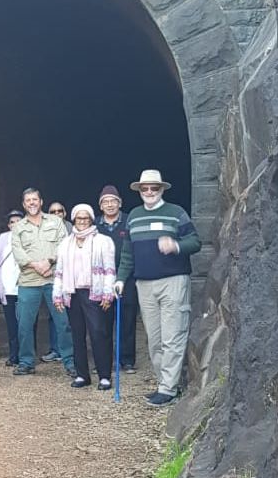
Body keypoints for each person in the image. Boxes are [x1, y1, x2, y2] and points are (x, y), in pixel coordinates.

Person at [115, 170, 202, 407]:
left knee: (172, 335)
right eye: (145, 189)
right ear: (140, 191)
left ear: (162, 189)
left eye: (154, 188)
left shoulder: (176, 213)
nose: (150, 192)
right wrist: (121, 278)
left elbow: (195, 242)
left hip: (173, 280)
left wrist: (175, 245)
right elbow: (127, 254)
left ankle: (168, 389)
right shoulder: (133, 216)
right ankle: (165, 382)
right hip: (144, 283)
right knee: (154, 339)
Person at [11, 188, 76, 377]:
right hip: (29, 281)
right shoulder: (18, 227)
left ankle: (70, 361)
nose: (31, 203)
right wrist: (35, 265)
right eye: (28, 200)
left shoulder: (56, 222)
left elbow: (64, 245)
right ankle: (26, 362)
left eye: (35, 199)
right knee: (24, 323)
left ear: (41, 202)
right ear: (24, 204)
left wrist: (49, 261)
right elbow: (18, 251)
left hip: (54, 280)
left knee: (62, 322)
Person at [53, 204, 116, 390]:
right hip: (72, 293)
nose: (82, 222)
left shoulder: (103, 241)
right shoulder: (65, 243)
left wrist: (108, 293)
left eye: (86, 218)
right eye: (79, 218)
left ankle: (104, 375)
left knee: (99, 333)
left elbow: (110, 269)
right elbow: (60, 271)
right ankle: (82, 375)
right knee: (77, 334)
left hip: (94, 292)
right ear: (74, 220)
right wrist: (57, 295)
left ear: (91, 219)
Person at [96, 184, 139, 374]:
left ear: (119, 203)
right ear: (100, 206)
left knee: (127, 320)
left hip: (127, 278)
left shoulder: (130, 221)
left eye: (114, 201)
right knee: (103, 322)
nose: (110, 205)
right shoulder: (94, 225)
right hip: (102, 279)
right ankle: (105, 360)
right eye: (106, 202)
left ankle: (127, 360)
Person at [40, 200, 72, 363]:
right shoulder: (44, 230)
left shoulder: (73, 230)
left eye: (60, 211)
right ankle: (55, 349)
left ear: (65, 213)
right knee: (53, 316)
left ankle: (70, 351)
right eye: (53, 212)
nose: (57, 214)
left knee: (70, 317)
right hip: (51, 278)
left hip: (70, 279)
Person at [0, 209, 24, 367]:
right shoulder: (3, 238)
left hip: (25, 287)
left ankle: (26, 354)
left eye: (18, 221)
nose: (15, 224)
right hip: (8, 288)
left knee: (27, 323)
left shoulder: (29, 237)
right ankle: (14, 355)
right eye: (12, 222)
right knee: (12, 324)